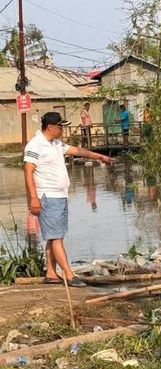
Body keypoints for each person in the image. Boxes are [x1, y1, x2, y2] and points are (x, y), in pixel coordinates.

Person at [24, 112, 114, 287]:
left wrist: (101, 156)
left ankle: (51, 272)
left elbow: (78, 151)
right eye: (60, 126)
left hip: (60, 196)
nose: (62, 129)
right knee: (56, 237)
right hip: (47, 197)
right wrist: (33, 198)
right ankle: (69, 274)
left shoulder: (56, 144)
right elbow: (28, 171)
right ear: (50, 127)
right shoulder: (35, 145)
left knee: (54, 236)